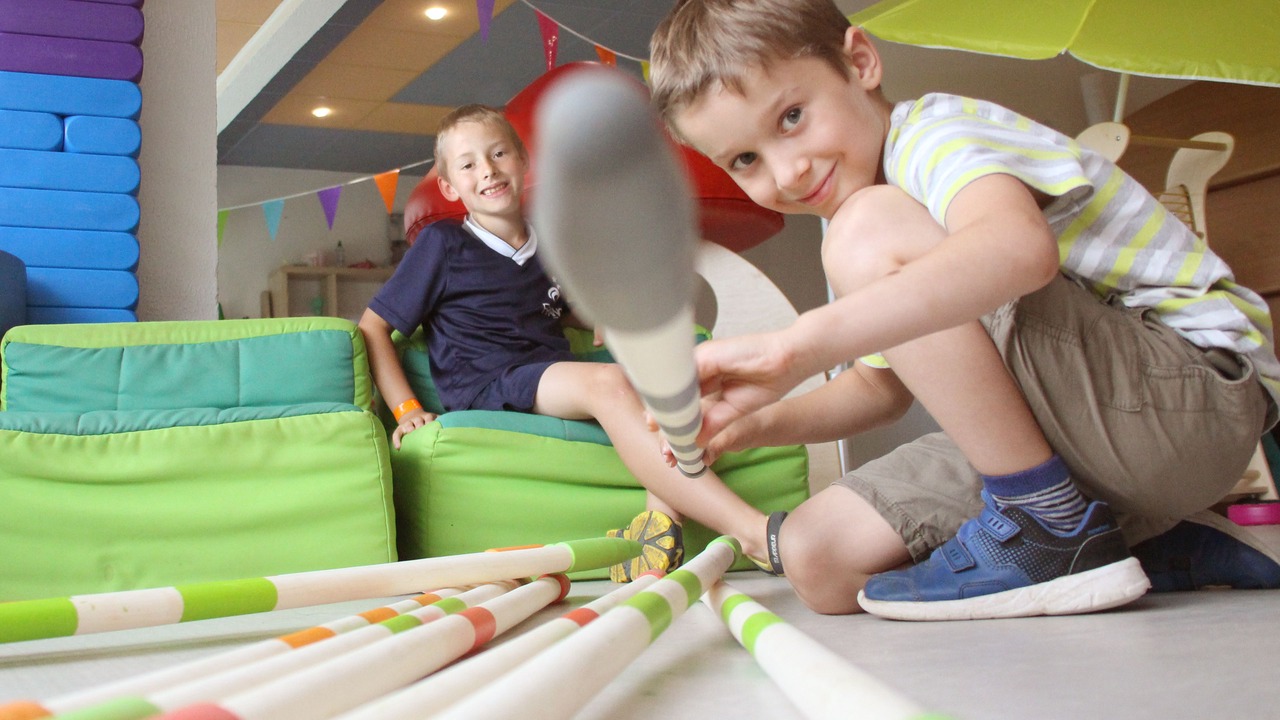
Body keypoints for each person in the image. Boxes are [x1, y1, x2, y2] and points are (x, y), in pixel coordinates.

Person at [648, 0, 1280, 620]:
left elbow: (1017, 250)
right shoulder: (863, 222)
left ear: (860, 62)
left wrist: (798, 344)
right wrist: (750, 425)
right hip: (1083, 434)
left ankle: (1046, 522)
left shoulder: (933, 138)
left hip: (1189, 397)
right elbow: (878, 390)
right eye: (745, 160)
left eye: (791, 117)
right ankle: (1145, 538)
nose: (787, 174)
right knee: (818, 559)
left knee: (865, 228)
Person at [358, 104, 784, 582]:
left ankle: (659, 525)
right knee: (608, 381)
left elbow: (569, 308)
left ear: (523, 160)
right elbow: (373, 327)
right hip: (487, 383)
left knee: (671, 378)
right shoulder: (442, 243)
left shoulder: (551, 243)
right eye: (468, 164)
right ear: (449, 187)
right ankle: (750, 529)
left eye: (498, 154)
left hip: (549, 376)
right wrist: (406, 409)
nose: (488, 171)